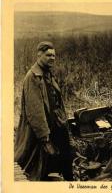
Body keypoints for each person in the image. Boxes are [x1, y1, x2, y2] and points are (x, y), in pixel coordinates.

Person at [14, 41, 73, 181]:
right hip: (43, 130)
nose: (52, 58)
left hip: (56, 125)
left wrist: (62, 121)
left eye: (53, 55)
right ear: (39, 55)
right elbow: (35, 111)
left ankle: (69, 183)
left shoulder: (47, 74)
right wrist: (44, 136)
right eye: (48, 55)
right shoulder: (33, 77)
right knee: (38, 164)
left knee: (64, 156)